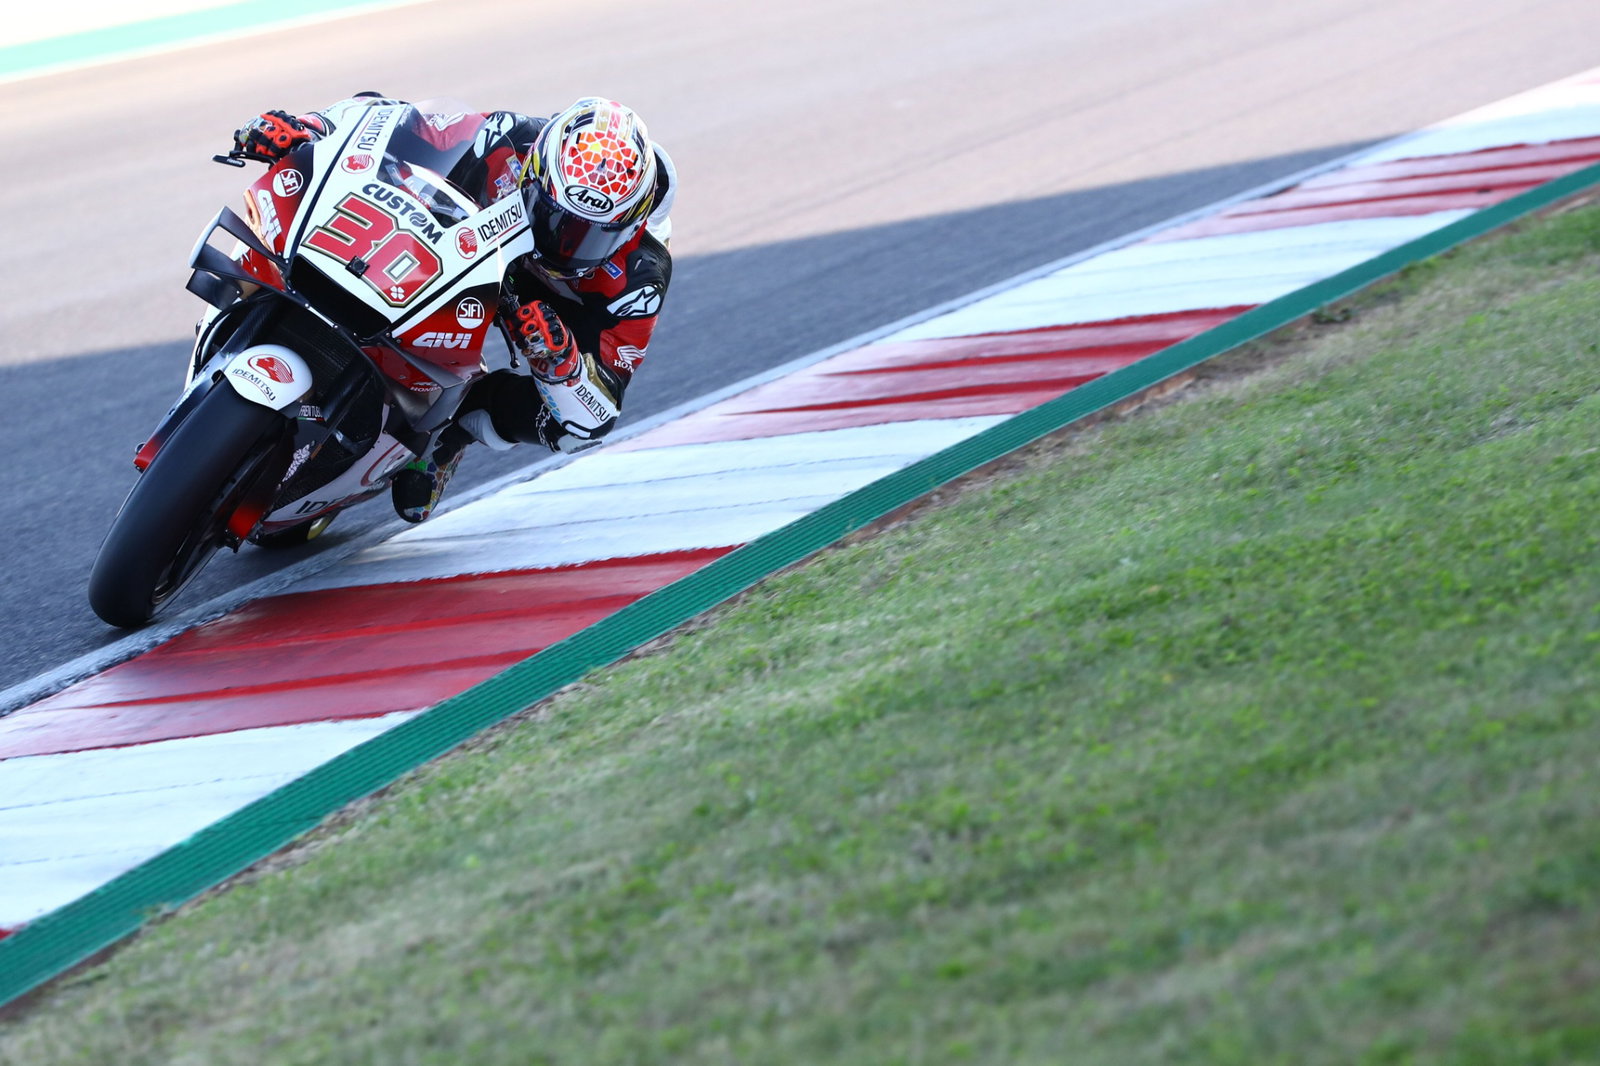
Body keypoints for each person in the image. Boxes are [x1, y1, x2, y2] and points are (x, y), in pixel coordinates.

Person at [232, 93, 675, 522]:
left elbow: (599, 411)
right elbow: (385, 119)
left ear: (630, 225)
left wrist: (563, 364)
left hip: (551, 306)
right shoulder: (507, 137)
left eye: (589, 235)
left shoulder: (641, 274)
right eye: (555, 216)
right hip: (477, 245)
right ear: (534, 173)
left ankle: (453, 431)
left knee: (569, 432)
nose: (564, 241)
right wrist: (309, 128)